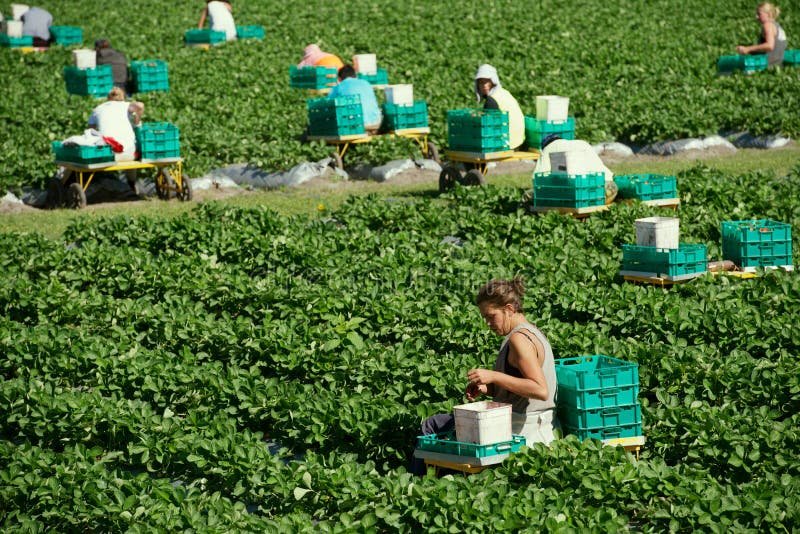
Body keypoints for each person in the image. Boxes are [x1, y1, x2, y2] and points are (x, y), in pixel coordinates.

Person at [411, 277, 560, 475]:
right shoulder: (531, 331)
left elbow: (540, 390)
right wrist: (488, 388)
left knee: (432, 426)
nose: (488, 323)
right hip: (531, 421)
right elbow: (521, 386)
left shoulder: (519, 340)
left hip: (520, 427)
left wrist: (494, 377)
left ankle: (414, 485)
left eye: (491, 316)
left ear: (508, 309)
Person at [533, 134, 618, 204]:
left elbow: (536, 179)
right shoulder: (582, 143)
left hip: (578, 195)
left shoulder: (548, 148)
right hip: (607, 187)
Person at [88, 87, 144, 192]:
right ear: (122, 97)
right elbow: (140, 106)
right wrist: (137, 121)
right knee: (132, 149)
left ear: (108, 98)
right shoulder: (125, 105)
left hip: (108, 155)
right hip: (129, 154)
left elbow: (90, 131)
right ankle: (132, 183)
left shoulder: (98, 108)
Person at [474, 64, 525, 150]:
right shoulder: (504, 93)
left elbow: (488, 127)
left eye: (487, 82)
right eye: (481, 82)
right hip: (518, 142)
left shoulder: (491, 100)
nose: (484, 85)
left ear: (493, 82)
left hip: (508, 144)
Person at [327, 65, 382, 131]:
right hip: (376, 122)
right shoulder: (366, 83)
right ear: (355, 76)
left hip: (354, 124)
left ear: (339, 79)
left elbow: (328, 105)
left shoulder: (338, 87)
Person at [736, 3, 787, 67]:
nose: (756, 17)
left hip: (767, 64)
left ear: (768, 14)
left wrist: (748, 49)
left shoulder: (768, 25)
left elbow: (769, 46)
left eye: (759, 14)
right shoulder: (777, 25)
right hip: (778, 64)